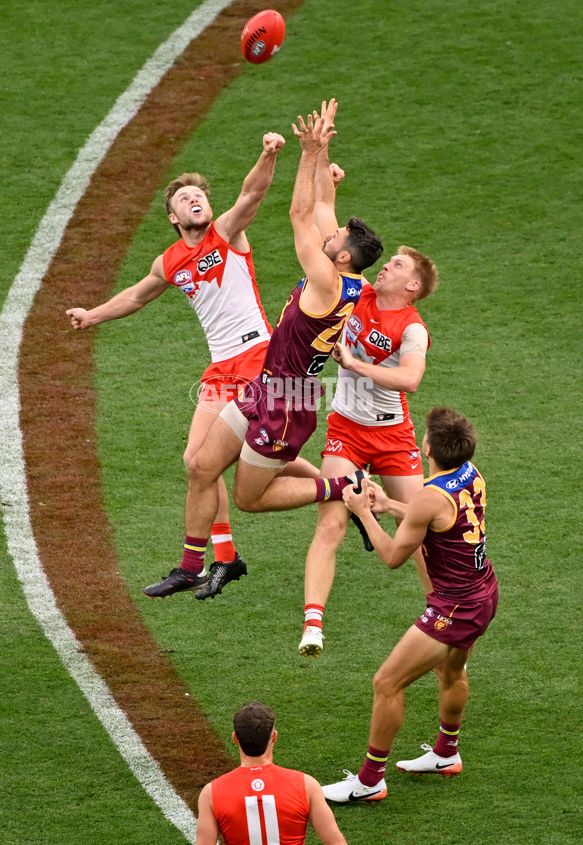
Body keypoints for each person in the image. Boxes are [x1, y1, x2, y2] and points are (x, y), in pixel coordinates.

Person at [143, 100, 383, 600]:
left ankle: (344, 488)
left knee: (250, 498)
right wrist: (320, 155)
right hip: (267, 386)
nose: (329, 231)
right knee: (201, 465)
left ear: (338, 257)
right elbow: (321, 209)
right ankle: (191, 564)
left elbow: (300, 213)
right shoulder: (345, 275)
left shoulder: (325, 281)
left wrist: (307, 154)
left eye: (334, 238)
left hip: (288, 398)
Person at [66, 132, 288, 589]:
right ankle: (223, 558)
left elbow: (252, 194)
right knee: (197, 462)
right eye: (186, 198)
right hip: (220, 366)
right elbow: (135, 297)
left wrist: (267, 154)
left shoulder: (226, 234)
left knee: (217, 461)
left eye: (200, 196)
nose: (195, 200)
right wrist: (92, 315)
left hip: (256, 357)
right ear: (173, 216)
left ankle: (198, 565)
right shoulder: (169, 262)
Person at [321, 406, 498, 803]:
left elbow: (392, 556)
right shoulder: (471, 474)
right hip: (483, 591)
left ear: (429, 447)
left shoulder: (429, 496)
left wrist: (364, 513)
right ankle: (446, 753)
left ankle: (369, 782)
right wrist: (387, 504)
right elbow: (437, 519)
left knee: (387, 683)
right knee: (450, 671)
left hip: (454, 608)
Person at [298, 228, 439, 656]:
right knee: (331, 524)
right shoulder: (356, 292)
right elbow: (332, 243)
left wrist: (356, 364)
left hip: (394, 437)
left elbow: (411, 379)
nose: (385, 267)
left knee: (419, 529)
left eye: (397, 265)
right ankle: (312, 626)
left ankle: (443, 619)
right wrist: (324, 171)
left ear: (411, 286)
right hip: (346, 429)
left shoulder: (413, 329)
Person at [196, 702, 348, 845]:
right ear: (274, 736)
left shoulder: (211, 793)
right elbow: (336, 842)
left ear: (235, 738)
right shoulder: (306, 785)